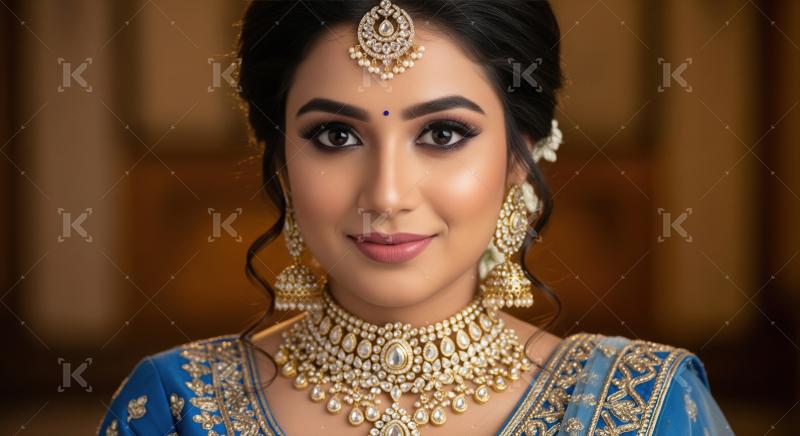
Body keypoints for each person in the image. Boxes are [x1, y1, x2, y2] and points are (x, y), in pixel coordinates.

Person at [97, 1, 734, 434]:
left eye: (444, 133)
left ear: (519, 155)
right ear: (282, 159)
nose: (387, 194)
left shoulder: (645, 408)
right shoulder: (177, 408)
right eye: (335, 137)